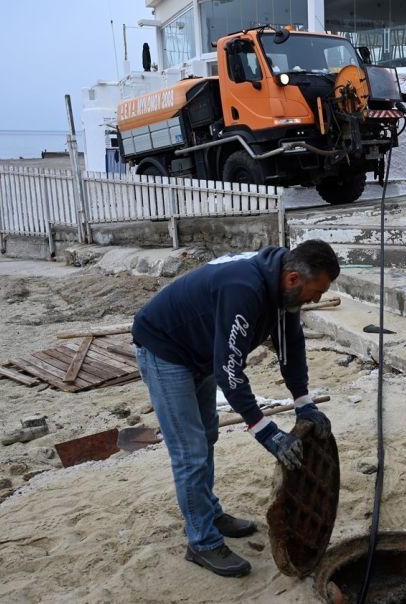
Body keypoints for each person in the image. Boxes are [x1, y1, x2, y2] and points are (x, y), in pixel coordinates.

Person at [132, 240, 340, 577]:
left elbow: (291, 345)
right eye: (315, 292)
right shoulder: (244, 289)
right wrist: (265, 432)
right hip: (165, 349)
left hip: (198, 351)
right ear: (293, 279)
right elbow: (229, 371)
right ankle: (201, 541)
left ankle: (209, 511)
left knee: (208, 435)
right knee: (190, 452)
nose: (315, 300)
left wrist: (303, 403)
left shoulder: (283, 288)